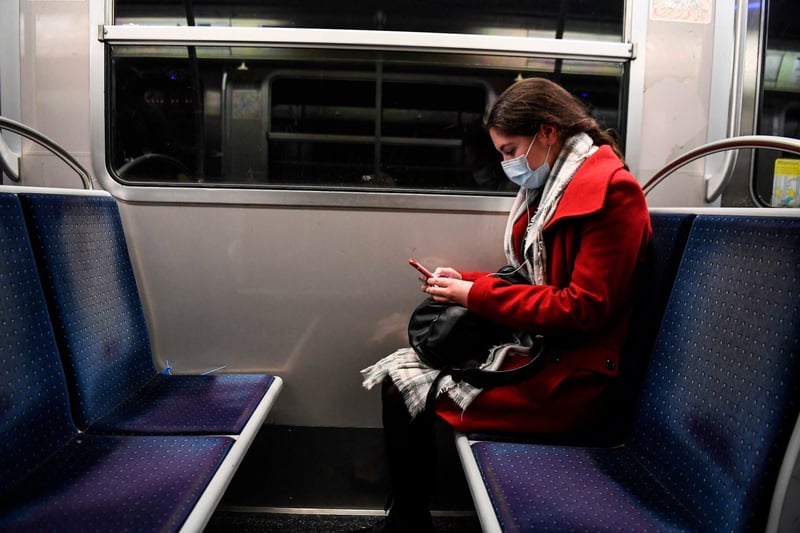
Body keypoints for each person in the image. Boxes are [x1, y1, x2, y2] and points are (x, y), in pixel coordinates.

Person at [359, 77, 652, 532]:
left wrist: (474, 295)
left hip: (575, 376)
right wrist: (466, 281)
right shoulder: (552, 190)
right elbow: (531, 277)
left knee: (401, 389)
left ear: (548, 132)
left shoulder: (612, 193)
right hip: (548, 352)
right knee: (401, 377)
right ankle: (409, 519)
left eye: (510, 150)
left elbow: (582, 309)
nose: (506, 163)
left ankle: (409, 524)